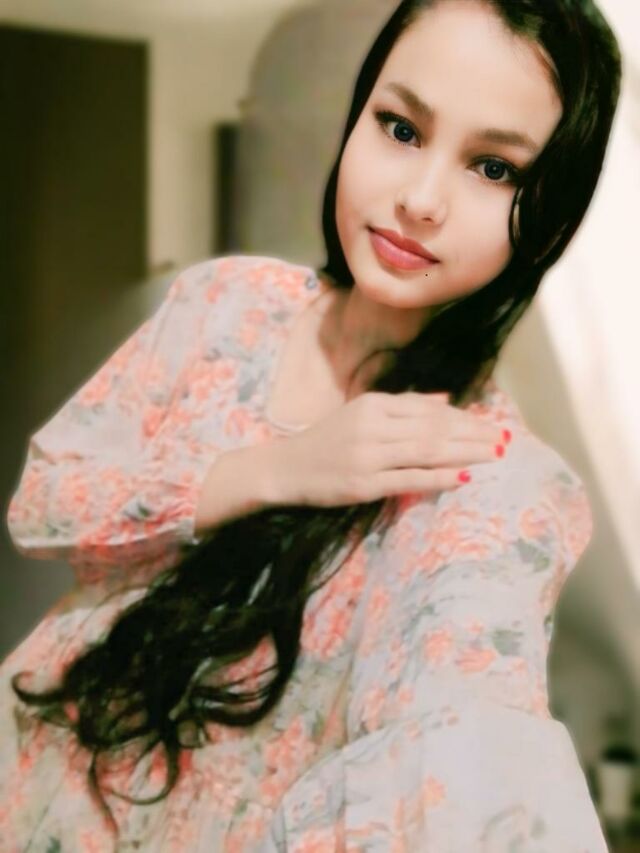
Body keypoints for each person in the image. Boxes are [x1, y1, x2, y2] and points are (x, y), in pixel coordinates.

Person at [0, 0, 622, 849]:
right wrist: (281, 468)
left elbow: (467, 729)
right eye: (400, 128)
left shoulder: (484, 475)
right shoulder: (225, 306)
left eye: (494, 168)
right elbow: (42, 506)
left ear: (548, 218)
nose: (421, 200)